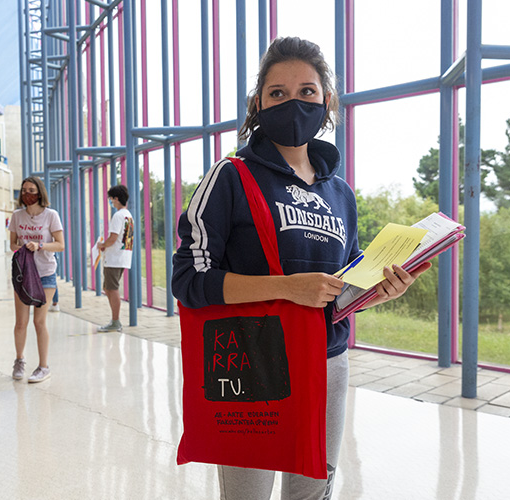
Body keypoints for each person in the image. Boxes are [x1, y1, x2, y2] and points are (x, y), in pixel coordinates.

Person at [171, 37, 431, 500]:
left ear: (326, 101)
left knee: (312, 491)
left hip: (328, 362)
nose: (294, 102)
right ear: (258, 104)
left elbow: (339, 289)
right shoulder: (229, 176)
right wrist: (287, 288)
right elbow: (189, 281)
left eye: (307, 91)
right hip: (253, 362)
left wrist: (378, 291)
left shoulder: (341, 194)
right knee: (248, 493)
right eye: (278, 93)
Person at [9, 176, 64, 383]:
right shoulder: (17, 216)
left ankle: (43, 366)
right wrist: (22, 247)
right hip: (23, 273)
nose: (27, 194)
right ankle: (19, 360)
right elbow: (12, 244)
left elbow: (60, 244)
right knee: (20, 322)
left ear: (39, 193)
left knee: (39, 321)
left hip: (45, 273)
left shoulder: (51, 215)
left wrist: (40, 246)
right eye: (24, 190)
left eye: (31, 190)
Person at [97, 184, 134, 332]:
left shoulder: (118, 216)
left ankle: (115, 321)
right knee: (109, 287)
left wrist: (102, 245)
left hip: (114, 258)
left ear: (116, 199)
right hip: (123, 256)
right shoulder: (128, 215)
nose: (111, 202)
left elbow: (113, 238)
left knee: (111, 289)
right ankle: (115, 320)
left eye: (111, 199)